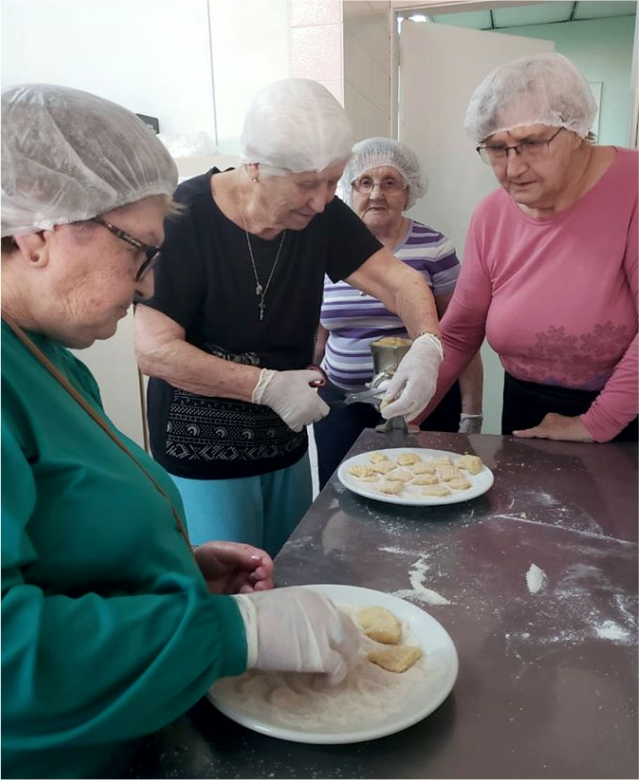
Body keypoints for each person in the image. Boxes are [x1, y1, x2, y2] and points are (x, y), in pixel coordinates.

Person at [0, 84, 362, 780]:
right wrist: (232, 632)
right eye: (140, 253)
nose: (146, 287)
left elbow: (54, 539)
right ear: (39, 233)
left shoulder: (47, 357)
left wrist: (165, 568)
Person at [135, 78, 444, 555]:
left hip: (285, 442)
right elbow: (153, 349)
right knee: (230, 583)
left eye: (332, 182)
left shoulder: (321, 214)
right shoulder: (186, 216)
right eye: (305, 186)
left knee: (288, 569)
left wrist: (427, 345)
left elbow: (401, 282)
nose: (321, 201)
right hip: (202, 453)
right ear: (255, 167)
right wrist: (265, 386)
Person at [416, 53, 639, 443]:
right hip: (524, 410)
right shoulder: (491, 215)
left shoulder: (632, 188)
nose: (513, 169)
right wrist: (410, 414)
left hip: (625, 418)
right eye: (496, 149)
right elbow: (460, 333)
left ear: (576, 131)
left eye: (531, 143)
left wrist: (596, 423)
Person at [313, 137, 484, 488]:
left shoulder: (433, 247)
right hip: (342, 402)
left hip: (422, 401)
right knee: (341, 496)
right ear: (349, 190)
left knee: (425, 489)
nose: (376, 193)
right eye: (365, 182)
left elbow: (460, 332)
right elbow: (319, 333)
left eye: (389, 183)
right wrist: (304, 378)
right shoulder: (324, 250)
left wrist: (471, 411)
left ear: (408, 191)